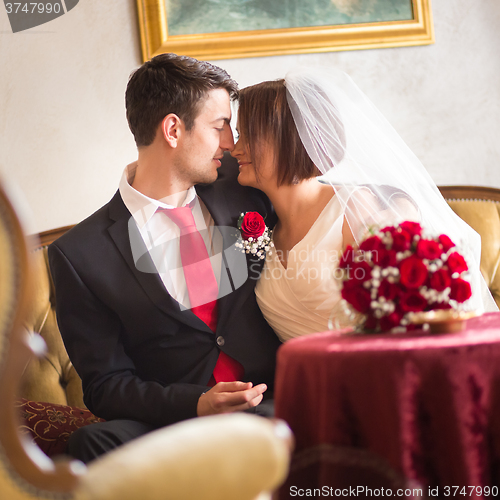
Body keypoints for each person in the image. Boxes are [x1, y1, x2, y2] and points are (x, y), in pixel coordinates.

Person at [48, 53, 281, 463]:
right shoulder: (79, 254)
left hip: (271, 399)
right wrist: (196, 404)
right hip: (175, 420)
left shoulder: (244, 185)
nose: (231, 142)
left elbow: (312, 193)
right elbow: (106, 385)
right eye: (220, 126)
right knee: (93, 445)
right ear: (173, 129)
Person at [231, 68, 498, 342]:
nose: (235, 149)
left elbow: (412, 318)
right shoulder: (262, 229)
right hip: (304, 381)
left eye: (247, 136)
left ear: (287, 138)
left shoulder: (358, 209)